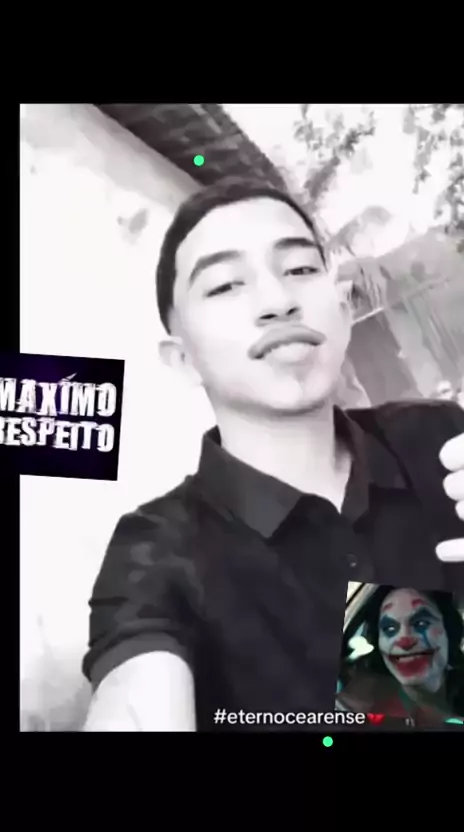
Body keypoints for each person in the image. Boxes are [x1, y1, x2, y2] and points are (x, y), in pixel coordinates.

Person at [82, 177, 464, 731]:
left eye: (300, 269)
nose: (278, 301)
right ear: (183, 360)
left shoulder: (441, 442)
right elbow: (137, 695)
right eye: (225, 285)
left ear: (341, 310)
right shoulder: (157, 554)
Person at [337, 586, 464, 727]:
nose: (405, 641)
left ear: (449, 631)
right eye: (390, 629)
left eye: (421, 623)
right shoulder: (362, 701)